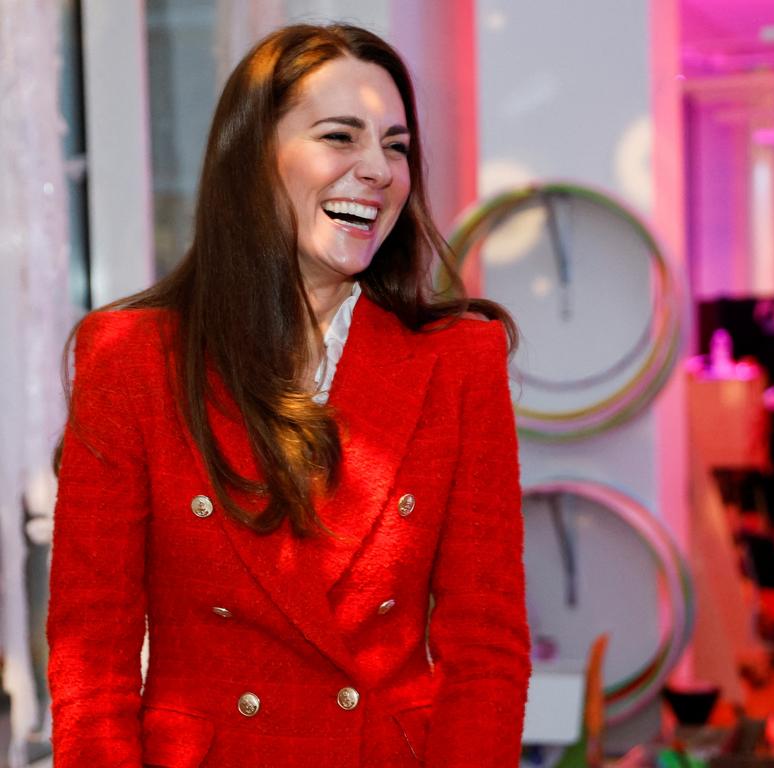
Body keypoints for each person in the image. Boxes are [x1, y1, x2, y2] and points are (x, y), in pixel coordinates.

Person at [46, 23, 530, 767]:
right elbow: (92, 659)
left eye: (396, 146)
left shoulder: (459, 361)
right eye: (341, 136)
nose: (378, 169)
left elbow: (486, 651)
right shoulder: (129, 360)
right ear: (252, 159)